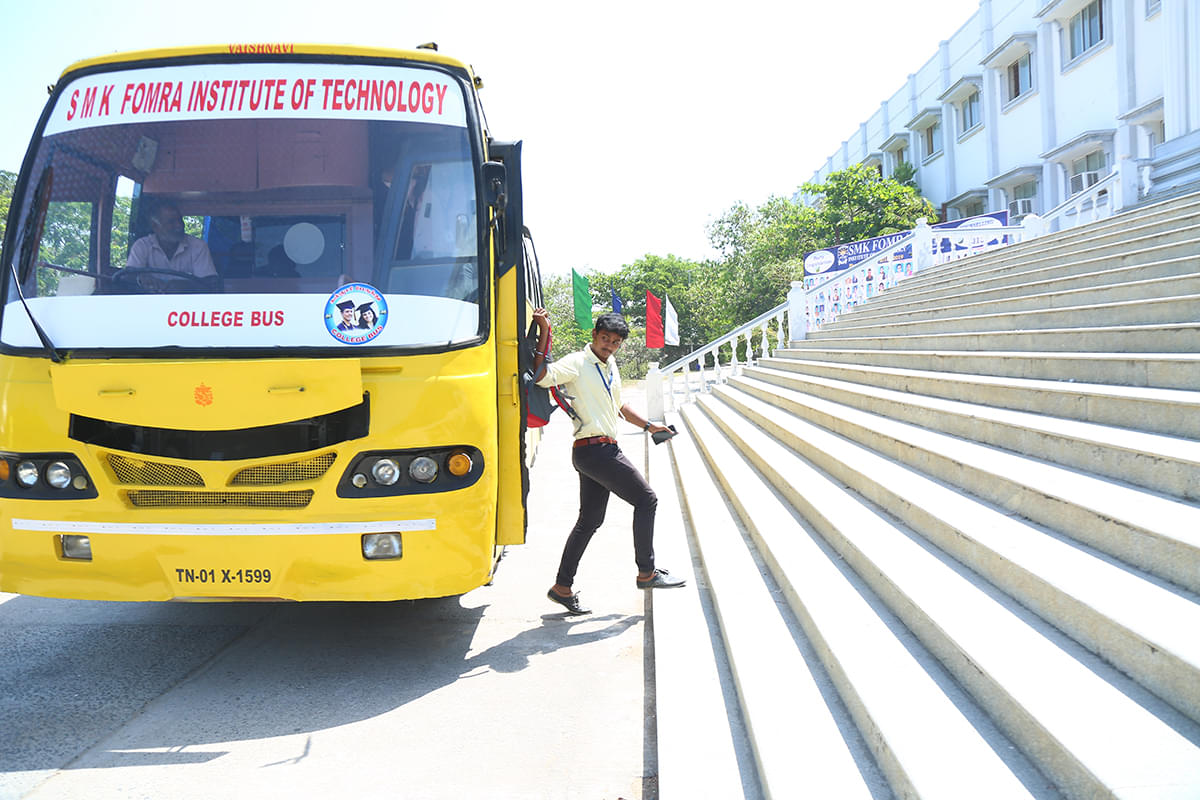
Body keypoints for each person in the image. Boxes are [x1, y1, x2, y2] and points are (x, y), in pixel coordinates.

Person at [531, 309, 685, 616]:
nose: (609, 346)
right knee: (647, 500)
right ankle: (647, 573)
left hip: (596, 452)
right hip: (596, 451)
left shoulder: (610, 365)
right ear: (594, 336)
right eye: (605, 340)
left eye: (615, 342)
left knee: (589, 522)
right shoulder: (577, 362)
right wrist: (545, 331)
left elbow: (619, 406)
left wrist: (649, 426)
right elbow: (542, 377)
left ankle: (562, 587)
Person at [126, 203, 219, 285]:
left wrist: (184, 286)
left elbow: (210, 283)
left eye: (180, 220)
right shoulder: (142, 246)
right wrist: (142, 280)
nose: (179, 226)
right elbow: (128, 277)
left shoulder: (198, 246)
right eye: (171, 222)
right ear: (155, 227)